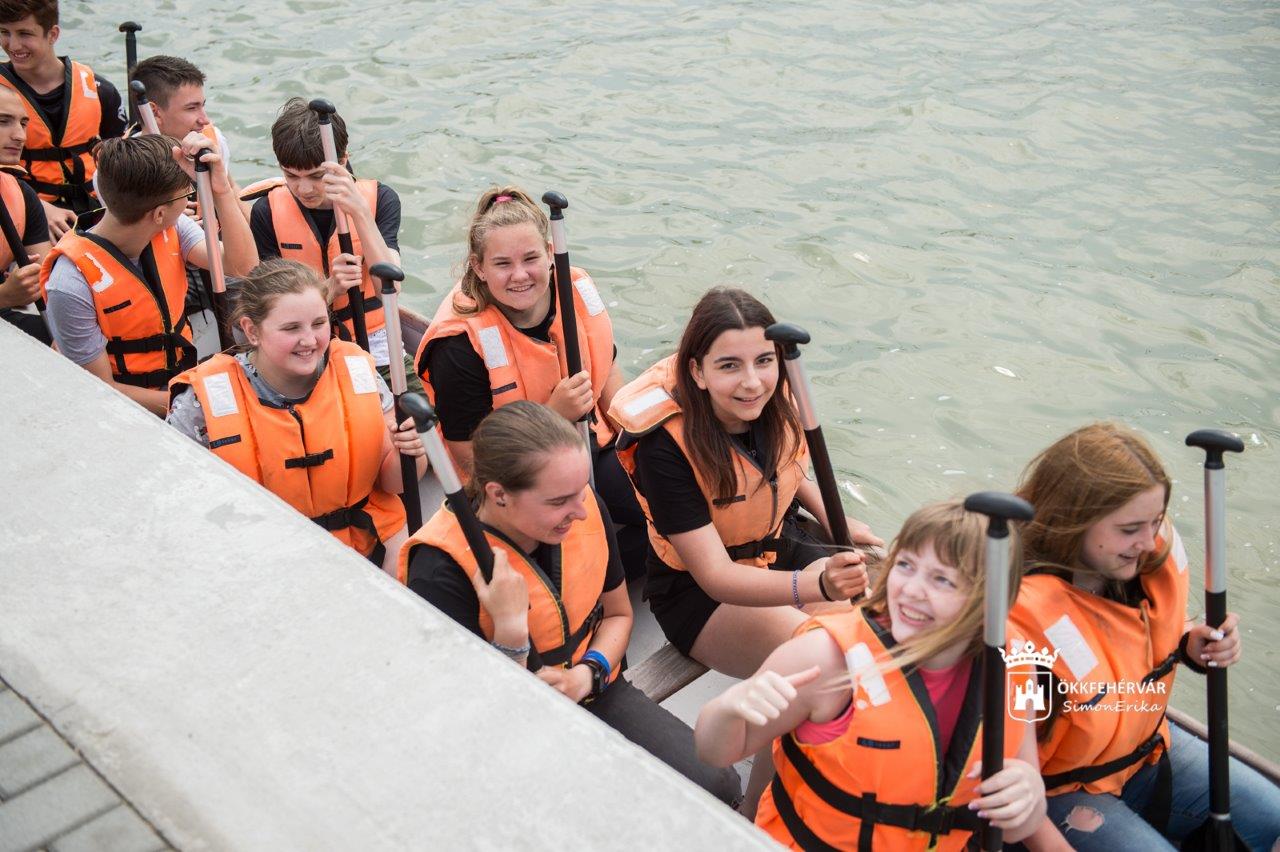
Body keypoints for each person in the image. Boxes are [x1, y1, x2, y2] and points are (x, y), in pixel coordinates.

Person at [398, 400, 741, 806]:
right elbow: (473, 712)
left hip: (594, 688)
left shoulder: (584, 505)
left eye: (580, 492)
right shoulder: (440, 569)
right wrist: (509, 630)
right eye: (558, 501)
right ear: (499, 495)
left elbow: (618, 614)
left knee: (718, 784)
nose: (579, 511)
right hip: (509, 731)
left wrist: (587, 676)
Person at [694, 500, 1053, 850]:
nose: (911, 590)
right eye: (906, 565)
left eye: (942, 580)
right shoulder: (827, 657)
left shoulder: (1016, 667)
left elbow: (1016, 825)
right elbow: (715, 752)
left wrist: (1030, 797)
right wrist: (728, 709)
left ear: (987, 603)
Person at [1009, 422, 1280, 851]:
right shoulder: (1015, 613)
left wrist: (1194, 642)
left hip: (1148, 753)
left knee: (1276, 819)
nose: (1150, 542)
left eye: (1155, 522)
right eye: (1130, 528)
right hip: (1061, 792)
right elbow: (1005, 763)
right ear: (1074, 520)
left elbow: (1134, 644)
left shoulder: (1136, 566)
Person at [608, 287, 880, 679]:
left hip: (778, 548)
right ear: (698, 371)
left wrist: (832, 518)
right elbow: (716, 576)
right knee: (827, 663)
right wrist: (820, 584)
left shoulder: (777, 395)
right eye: (730, 366)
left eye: (764, 361)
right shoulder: (664, 446)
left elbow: (781, 467)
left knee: (871, 638)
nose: (752, 382)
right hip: (700, 592)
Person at [413, 186, 647, 580]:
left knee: (663, 503)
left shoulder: (576, 289)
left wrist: (634, 443)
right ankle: (578, 576)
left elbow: (607, 368)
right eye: (502, 263)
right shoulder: (458, 344)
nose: (519, 275)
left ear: (550, 256)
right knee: (576, 521)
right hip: (514, 474)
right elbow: (467, 453)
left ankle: (603, 568)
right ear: (479, 267)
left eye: (531, 258)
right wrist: (552, 416)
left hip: (590, 443)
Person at [168, 258, 424, 575]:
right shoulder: (201, 403)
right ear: (251, 330)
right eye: (291, 328)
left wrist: (411, 450)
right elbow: (185, 509)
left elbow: (394, 483)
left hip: (371, 546)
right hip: (266, 561)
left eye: (319, 324)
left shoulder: (358, 371)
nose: (309, 340)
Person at [39, 132, 255, 414]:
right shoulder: (69, 284)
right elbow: (99, 388)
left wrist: (221, 190)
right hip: (122, 410)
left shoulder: (172, 228)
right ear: (159, 214)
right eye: (187, 195)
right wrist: (193, 402)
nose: (189, 201)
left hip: (179, 382)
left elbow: (243, 266)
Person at [247, 97, 416, 392]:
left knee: (423, 422)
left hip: (376, 346)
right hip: (304, 351)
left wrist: (360, 214)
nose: (304, 188)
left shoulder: (381, 200)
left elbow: (389, 287)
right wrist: (329, 289)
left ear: (342, 160)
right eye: (291, 176)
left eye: (316, 176)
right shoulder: (266, 213)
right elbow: (267, 308)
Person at [0, 0, 128, 236]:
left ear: (53, 34)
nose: (13, 44)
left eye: (24, 33)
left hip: (96, 211)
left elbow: (127, 159)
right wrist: (38, 207)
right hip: (25, 216)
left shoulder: (100, 91)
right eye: (4, 33)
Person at [0, 83, 50, 343]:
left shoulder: (20, 194)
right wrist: (5, 295)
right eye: (3, 122)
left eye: (23, 123)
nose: (19, 135)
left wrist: (33, 279)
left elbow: (47, 279)